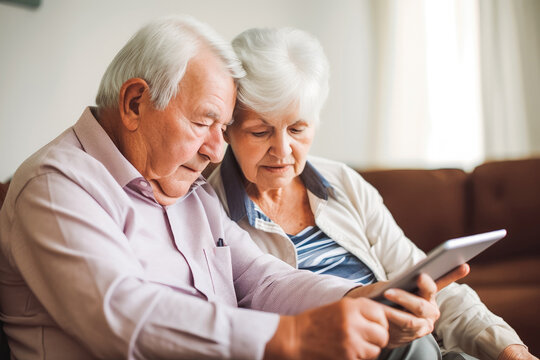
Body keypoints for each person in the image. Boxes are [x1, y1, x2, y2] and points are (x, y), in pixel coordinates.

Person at [0, 15, 467, 360]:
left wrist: (355, 298)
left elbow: (261, 280)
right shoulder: (57, 186)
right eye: (204, 123)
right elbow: (123, 317)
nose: (217, 151)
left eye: (223, 129)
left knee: (414, 348)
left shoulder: (185, 190)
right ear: (135, 102)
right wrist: (294, 338)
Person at [208, 27, 537, 360]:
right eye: (260, 131)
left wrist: (509, 349)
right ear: (228, 128)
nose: (282, 151)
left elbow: (418, 274)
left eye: (297, 129)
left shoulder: (342, 183)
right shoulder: (208, 211)